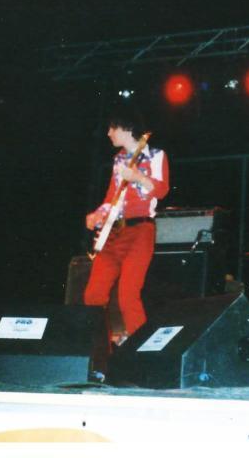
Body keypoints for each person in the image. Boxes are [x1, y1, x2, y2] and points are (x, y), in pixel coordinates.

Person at [84, 108, 170, 345]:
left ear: (127, 128)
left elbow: (162, 190)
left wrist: (138, 177)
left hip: (140, 230)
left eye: (112, 128)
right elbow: (112, 198)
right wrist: (98, 214)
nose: (109, 133)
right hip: (114, 232)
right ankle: (98, 349)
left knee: (128, 295)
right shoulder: (118, 160)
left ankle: (140, 350)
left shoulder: (156, 155)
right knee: (93, 294)